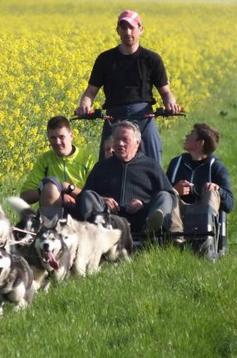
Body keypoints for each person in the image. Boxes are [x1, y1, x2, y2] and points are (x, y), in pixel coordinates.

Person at [75, 9, 182, 166]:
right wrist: (85, 104)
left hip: (144, 119)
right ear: (117, 30)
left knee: (153, 165)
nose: (127, 31)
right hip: (113, 118)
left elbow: (165, 92)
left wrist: (170, 104)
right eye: (123, 27)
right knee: (107, 166)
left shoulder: (152, 59)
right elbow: (90, 92)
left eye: (132, 27)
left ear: (141, 29)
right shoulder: (105, 59)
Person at [77, 121, 176, 234]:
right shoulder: (101, 167)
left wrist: (143, 203)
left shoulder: (151, 166)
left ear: (137, 143)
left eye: (125, 140)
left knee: (165, 196)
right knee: (87, 195)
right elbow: (82, 197)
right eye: (117, 139)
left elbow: (171, 196)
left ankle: (152, 231)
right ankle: (98, 230)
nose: (120, 143)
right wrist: (102, 199)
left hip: (142, 217)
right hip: (109, 219)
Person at [166, 123, 235, 253]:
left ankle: (205, 241)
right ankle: (177, 242)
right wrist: (175, 189)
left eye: (191, 135)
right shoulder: (177, 163)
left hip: (204, 212)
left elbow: (230, 204)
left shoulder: (217, 167)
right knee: (170, 194)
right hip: (179, 212)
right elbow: (162, 193)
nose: (186, 136)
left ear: (200, 143)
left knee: (212, 191)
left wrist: (217, 189)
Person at [20, 116, 96, 218]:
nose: (57, 142)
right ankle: (49, 231)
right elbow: (25, 197)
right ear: (48, 137)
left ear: (71, 135)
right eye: (53, 138)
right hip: (53, 213)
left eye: (61, 137)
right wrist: (52, 192)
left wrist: (70, 189)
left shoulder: (87, 158)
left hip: (81, 212)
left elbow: (95, 197)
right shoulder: (44, 160)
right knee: (50, 186)